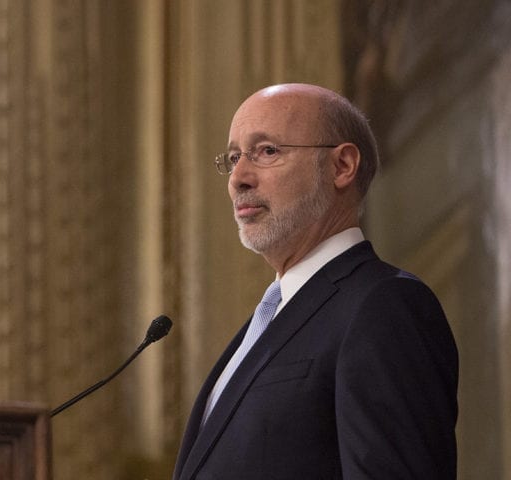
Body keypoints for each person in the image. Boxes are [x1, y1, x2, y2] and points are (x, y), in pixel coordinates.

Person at [173, 83, 459, 479]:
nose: (238, 177)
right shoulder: (271, 318)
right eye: (235, 156)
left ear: (342, 166)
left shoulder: (385, 306)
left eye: (267, 151)